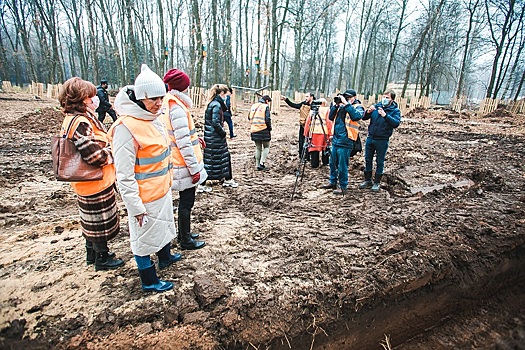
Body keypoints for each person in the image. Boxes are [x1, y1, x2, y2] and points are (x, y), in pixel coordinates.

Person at [108, 64, 181, 293]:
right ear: (141, 98)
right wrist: (135, 207)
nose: (159, 104)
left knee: (163, 229)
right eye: (153, 99)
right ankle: (148, 280)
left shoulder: (153, 118)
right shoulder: (125, 127)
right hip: (144, 197)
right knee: (143, 240)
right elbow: (124, 174)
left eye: (162, 98)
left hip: (161, 189)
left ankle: (165, 257)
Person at [57, 77, 124, 271]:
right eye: (91, 96)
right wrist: (112, 153)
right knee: (99, 220)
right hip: (94, 179)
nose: (95, 99)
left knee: (92, 219)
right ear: (82, 98)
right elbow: (94, 155)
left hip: (88, 180)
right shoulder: (80, 122)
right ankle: (101, 258)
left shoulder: (74, 118)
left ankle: (93, 253)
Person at [161, 68, 206, 250]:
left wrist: (197, 138)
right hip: (183, 163)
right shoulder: (177, 108)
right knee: (186, 202)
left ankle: (183, 233)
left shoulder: (167, 103)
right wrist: (194, 169)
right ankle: (185, 238)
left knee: (185, 202)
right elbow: (183, 143)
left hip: (177, 161)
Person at [321, 89, 365, 195]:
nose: (346, 99)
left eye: (348, 98)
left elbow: (356, 116)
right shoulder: (340, 107)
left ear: (354, 98)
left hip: (346, 140)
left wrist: (346, 104)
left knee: (342, 165)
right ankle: (333, 182)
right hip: (336, 138)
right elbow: (330, 117)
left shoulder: (357, 107)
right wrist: (335, 105)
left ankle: (343, 186)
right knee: (332, 163)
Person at [358, 89, 401, 192]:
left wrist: (385, 116)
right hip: (371, 137)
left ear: (392, 100)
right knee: (368, 159)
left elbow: (396, 123)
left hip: (382, 139)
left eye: (387, 97)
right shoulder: (376, 106)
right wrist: (368, 112)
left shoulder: (395, 111)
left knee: (380, 161)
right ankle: (368, 180)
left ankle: (377, 182)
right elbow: (364, 118)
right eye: (384, 97)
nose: (385, 99)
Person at [202, 84, 238, 188]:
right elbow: (215, 122)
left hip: (211, 138)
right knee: (221, 159)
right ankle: (227, 179)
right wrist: (223, 133)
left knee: (211, 160)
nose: (227, 97)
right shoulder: (217, 105)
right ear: (221, 93)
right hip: (216, 138)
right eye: (226, 94)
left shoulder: (212, 103)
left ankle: (226, 179)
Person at [281, 92, 314, 159]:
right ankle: (301, 155)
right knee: (301, 140)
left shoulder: (315, 105)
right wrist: (286, 100)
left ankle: (308, 156)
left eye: (307, 96)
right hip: (303, 125)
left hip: (312, 126)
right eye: (305, 96)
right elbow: (294, 105)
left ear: (311, 97)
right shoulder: (303, 104)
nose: (306, 98)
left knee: (310, 141)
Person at [303, 98, 332, 168]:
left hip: (314, 132)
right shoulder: (327, 110)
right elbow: (329, 123)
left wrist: (306, 133)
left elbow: (308, 123)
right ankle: (325, 163)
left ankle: (314, 164)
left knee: (314, 148)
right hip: (324, 132)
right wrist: (331, 134)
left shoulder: (312, 111)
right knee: (325, 148)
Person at [248, 95, 272, 171]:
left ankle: (257, 165)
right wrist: (269, 128)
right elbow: (267, 119)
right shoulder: (265, 107)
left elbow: (249, 117)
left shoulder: (253, 106)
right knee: (266, 147)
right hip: (263, 129)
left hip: (254, 129)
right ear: (267, 101)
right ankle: (262, 163)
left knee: (258, 148)